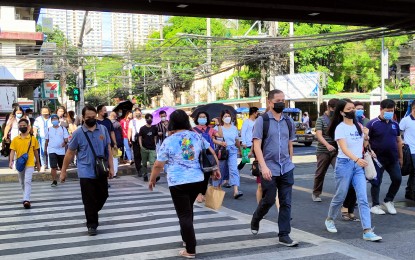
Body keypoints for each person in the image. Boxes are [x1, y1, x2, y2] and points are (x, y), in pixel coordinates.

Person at [148, 109, 220, 259]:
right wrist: (216, 168)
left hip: (178, 182)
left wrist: (152, 179)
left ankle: (190, 248)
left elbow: (158, 164)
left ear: (172, 122)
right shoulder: (196, 136)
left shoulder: (169, 140)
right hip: (197, 180)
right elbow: (210, 151)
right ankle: (186, 238)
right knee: (188, 210)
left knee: (184, 214)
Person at [325, 98, 382, 241]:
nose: (353, 111)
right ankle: (330, 219)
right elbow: (343, 148)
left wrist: (366, 135)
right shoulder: (340, 128)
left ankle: (367, 231)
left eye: (353, 108)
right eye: (349, 109)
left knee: (363, 198)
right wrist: (356, 159)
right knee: (340, 195)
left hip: (358, 166)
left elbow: (363, 143)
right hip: (344, 164)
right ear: (342, 112)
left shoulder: (358, 125)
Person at [250, 89, 298, 247]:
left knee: (286, 202)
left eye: (283, 100)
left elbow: (290, 143)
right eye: (278, 100)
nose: (281, 103)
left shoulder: (288, 121)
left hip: (286, 168)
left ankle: (284, 234)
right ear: (270, 102)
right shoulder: (262, 121)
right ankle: (257, 217)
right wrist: (263, 167)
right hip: (268, 167)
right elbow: (256, 146)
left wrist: (291, 162)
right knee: (269, 200)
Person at [60, 105, 114, 236]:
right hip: (85, 171)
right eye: (88, 117)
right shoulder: (78, 133)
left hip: (101, 169)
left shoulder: (103, 129)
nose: (91, 119)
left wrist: (111, 167)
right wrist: (63, 171)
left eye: (93, 117)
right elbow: (69, 153)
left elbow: (108, 149)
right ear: (83, 118)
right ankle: (92, 225)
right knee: (88, 199)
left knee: (103, 195)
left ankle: (91, 212)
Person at [367, 99, 403, 215]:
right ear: (381, 109)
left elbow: (398, 141)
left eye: (392, 111)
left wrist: (401, 157)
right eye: (387, 111)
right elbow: (365, 141)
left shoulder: (395, 124)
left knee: (397, 179)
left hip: (393, 158)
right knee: (376, 182)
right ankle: (375, 205)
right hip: (377, 159)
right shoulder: (372, 124)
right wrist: (370, 151)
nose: (390, 113)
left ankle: (388, 200)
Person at [9, 118, 40, 209]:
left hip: (30, 163)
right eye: (20, 126)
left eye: (24, 126)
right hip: (19, 163)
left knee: (27, 181)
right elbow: (12, 151)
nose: (22, 127)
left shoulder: (33, 139)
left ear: (28, 127)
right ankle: (25, 196)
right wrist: (11, 161)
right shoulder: (15, 139)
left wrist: (38, 163)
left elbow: (36, 152)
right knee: (22, 182)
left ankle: (26, 199)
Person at [212, 110, 243, 199]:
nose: (227, 118)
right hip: (222, 150)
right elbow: (213, 138)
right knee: (220, 169)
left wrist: (240, 150)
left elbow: (236, 140)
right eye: (225, 116)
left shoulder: (234, 128)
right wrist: (220, 143)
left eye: (228, 116)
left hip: (232, 150)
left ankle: (236, 190)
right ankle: (218, 187)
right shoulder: (217, 127)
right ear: (222, 118)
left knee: (234, 169)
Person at [193, 111, 223, 203]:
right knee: (198, 174)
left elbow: (220, 135)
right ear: (197, 119)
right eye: (201, 117)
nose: (202, 118)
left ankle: (203, 193)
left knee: (206, 175)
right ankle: (198, 194)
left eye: (204, 117)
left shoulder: (210, 129)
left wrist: (218, 125)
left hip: (209, 154)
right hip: (198, 155)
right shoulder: (193, 130)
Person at [45, 114, 69, 187]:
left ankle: (62, 177)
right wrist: (45, 149)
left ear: (58, 120)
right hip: (52, 150)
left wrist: (64, 143)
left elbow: (66, 139)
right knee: (53, 166)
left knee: (62, 166)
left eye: (56, 119)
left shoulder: (62, 128)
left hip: (61, 150)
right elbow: (46, 140)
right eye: (53, 119)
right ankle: (54, 180)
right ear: (51, 121)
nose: (54, 121)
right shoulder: (49, 129)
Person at [400, 100, 415, 200]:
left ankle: (410, 192)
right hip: (411, 151)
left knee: (414, 173)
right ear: (413, 108)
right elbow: (398, 133)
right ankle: (411, 193)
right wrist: (402, 143)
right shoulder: (405, 120)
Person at [139, 114, 158, 182]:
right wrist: (141, 146)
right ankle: (145, 175)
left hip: (152, 148)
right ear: (146, 120)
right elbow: (140, 137)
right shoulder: (142, 128)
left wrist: (155, 144)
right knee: (144, 163)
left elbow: (155, 137)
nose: (150, 120)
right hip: (144, 148)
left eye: (151, 118)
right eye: (148, 119)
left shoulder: (154, 128)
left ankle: (154, 176)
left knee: (152, 163)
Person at [33, 106, 52, 171]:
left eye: (46, 112)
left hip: (51, 138)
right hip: (42, 138)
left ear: (49, 112)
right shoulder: (38, 119)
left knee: (50, 152)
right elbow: (35, 127)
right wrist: (35, 134)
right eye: (43, 112)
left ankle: (50, 166)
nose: (45, 113)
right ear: (41, 112)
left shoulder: (52, 119)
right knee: (42, 152)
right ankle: (43, 165)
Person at [128, 108, 146, 176]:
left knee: (143, 154)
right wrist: (129, 139)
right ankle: (139, 169)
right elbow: (129, 130)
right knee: (136, 155)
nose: (138, 113)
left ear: (141, 113)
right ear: (134, 114)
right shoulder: (132, 121)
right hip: (135, 140)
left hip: (144, 140)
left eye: (139, 112)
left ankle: (143, 168)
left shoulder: (144, 121)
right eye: (136, 112)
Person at [109, 111, 123, 177]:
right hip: (116, 143)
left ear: (110, 116)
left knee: (109, 157)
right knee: (115, 158)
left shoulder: (108, 123)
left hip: (109, 143)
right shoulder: (118, 124)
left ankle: (110, 171)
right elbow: (120, 134)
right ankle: (114, 172)